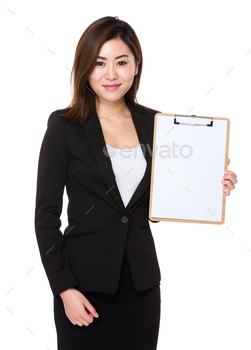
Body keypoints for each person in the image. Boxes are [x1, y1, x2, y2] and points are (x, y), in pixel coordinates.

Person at [34, 16, 238, 350]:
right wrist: (64, 289)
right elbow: (45, 217)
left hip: (141, 288)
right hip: (83, 287)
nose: (111, 74)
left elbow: (159, 205)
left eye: (121, 62)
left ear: (136, 66)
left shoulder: (158, 124)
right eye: (99, 63)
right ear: (85, 67)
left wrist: (212, 183)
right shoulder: (65, 126)